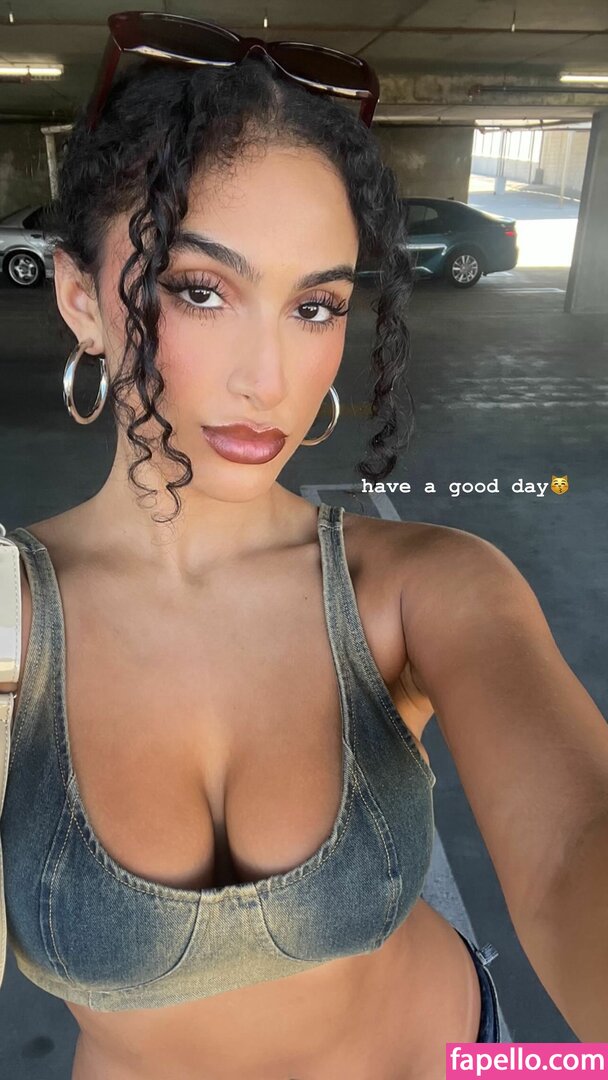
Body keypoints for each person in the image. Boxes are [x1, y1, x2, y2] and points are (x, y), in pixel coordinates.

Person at [1, 13, 607, 1080]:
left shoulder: (420, 588)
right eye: (201, 290)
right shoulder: (12, 615)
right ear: (81, 300)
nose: (270, 379)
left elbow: (572, 849)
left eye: (315, 305)